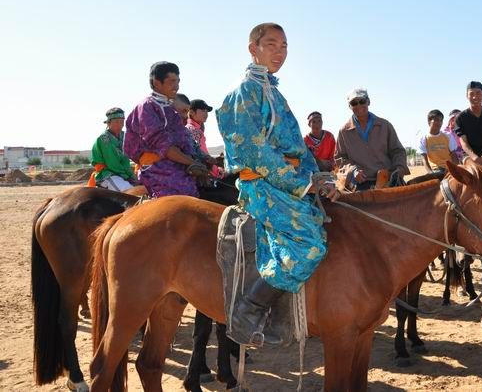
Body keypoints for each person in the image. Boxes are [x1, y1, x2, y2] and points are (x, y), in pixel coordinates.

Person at [216, 22, 337, 346]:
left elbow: (298, 148)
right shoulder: (242, 93)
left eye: (284, 46)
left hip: (286, 180)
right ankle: (249, 311)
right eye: (272, 44)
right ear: (252, 48)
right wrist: (301, 185)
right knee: (307, 242)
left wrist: (321, 179)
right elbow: (257, 152)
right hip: (263, 186)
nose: (280, 52)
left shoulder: (274, 92)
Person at [123, 62, 206, 198]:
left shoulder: (170, 109)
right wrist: (192, 163)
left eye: (178, 81)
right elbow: (164, 146)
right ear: (157, 82)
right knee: (181, 196)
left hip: (175, 163)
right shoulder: (146, 107)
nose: (177, 86)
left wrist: (198, 161)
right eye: (172, 81)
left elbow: (184, 139)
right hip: (156, 168)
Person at [334, 88, 409, 190]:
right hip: (361, 184)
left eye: (362, 101)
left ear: (368, 101)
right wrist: (353, 171)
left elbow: (398, 151)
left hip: (388, 180)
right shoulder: (344, 132)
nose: (359, 105)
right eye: (354, 103)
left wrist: (399, 168)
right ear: (349, 106)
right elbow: (341, 159)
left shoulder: (384, 125)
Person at [89, 107, 137, 191]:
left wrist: (132, 176)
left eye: (122, 122)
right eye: (116, 122)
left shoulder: (124, 137)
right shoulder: (104, 139)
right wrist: (128, 177)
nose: (120, 125)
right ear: (108, 123)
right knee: (130, 191)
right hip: (108, 174)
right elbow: (112, 163)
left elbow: (126, 161)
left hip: (122, 174)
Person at [418, 109, 458, 174]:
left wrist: (457, 170)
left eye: (441, 120)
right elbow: (424, 159)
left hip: (449, 169)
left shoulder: (448, 136)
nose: (439, 123)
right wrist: (431, 173)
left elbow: (454, 155)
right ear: (429, 121)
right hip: (435, 170)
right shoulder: (423, 138)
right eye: (436, 120)